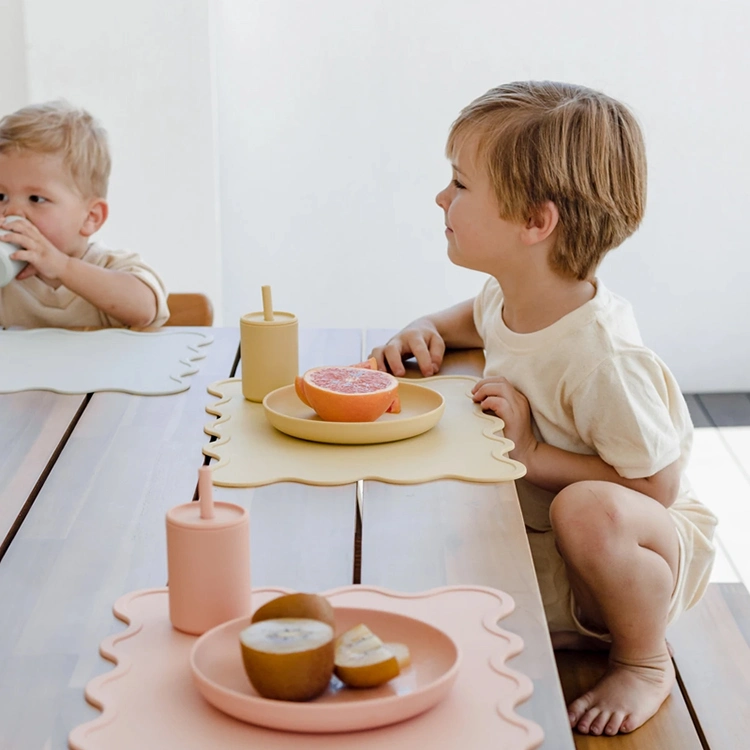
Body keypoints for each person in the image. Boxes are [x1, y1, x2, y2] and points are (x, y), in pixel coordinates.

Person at [370, 81, 716, 737]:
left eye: (460, 185)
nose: (441, 198)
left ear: (535, 222)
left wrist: (532, 456)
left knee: (583, 508)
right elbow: (473, 318)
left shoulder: (603, 358)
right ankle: (573, 619)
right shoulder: (511, 294)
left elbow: (656, 488)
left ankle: (642, 659)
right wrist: (425, 327)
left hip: (636, 542)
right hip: (557, 538)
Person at [0, 101, 169, 328]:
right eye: (1, 197)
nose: (11, 212)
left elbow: (144, 310)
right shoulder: (6, 281)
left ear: (91, 217)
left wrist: (61, 265)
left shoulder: (108, 266)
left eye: (36, 199)